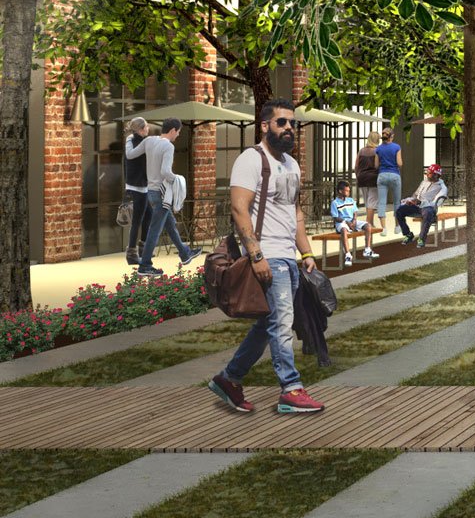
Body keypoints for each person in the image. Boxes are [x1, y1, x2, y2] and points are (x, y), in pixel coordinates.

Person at [208, 99, 324, 415]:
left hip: (288, 256)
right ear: (264, 126)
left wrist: (307, 252)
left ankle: (229, 379)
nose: (289, 128)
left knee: (268, 323)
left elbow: (295, 212)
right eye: (281, 122)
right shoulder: (251, 159)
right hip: (268, 254)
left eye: (293, 123)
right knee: (282, 323)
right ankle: (291, 389)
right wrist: (256, 254)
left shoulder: (292, 164)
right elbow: (238, 209)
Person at [130, 118, 198, 276]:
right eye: (179, 132)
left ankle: (185, 254)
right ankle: (145, 265)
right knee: (155, 229)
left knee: (170, 223)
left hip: (151, 192)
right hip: (162, 193)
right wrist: (178, 180)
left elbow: (132, 154)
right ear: (173, 130)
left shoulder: (149, 141)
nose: (178, 135)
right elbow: (166, 172)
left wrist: (129, 139)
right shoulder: (168, 146)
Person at [122, 116, 154, 265]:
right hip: (136, 186)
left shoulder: (138, 140)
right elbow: (131, 156)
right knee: (137, 220)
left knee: (148, 215)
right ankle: (132, 253)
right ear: (141, 129)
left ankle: (143, 248)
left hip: (141, 185)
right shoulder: (134, 141)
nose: (148, 129)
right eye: (146, 126)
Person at [394, 164, 449, 245]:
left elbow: (435, 204)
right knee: (399, 210)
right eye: (427, 172)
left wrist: (420, 202)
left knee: (428, 212)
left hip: (428, 208)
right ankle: (408, 234)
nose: (427, 174)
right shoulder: (424, 182)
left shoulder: (442, 188)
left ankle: (421, 239)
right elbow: (415, 195)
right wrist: (410, 200)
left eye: (429, 173)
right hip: (416, 206)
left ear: (437, 175)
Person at [352, 134, 383, 255]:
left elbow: (356, 165)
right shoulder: (377, 151)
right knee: (372, 203)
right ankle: (368, 224)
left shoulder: (361, 151)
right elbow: (378, 166)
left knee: (367, 201)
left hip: (362, 178)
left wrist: (358, 175)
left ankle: (370, 223)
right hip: (373, 178)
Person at [329, 180, 372, 266]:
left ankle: (367, 250)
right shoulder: (335, 203)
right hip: (342, 223)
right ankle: (348, 255)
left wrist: (354, 220)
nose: (349, 192)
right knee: (344, 230)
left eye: (349, 190)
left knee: (368, 226)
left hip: (352, 221)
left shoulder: (351, 200)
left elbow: (355, 212)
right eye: (347, 190)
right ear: (340, 191)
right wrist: (346, 222)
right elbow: (335, 218)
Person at [373, 128, 403, 234]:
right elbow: (399, 163)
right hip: (395, 175)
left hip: (382, 175)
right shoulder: (397, 147)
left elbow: (376, 165)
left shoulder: (378, 149)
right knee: (397, 202)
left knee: (382, 202)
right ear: (392, 136)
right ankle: (397, 227)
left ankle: (384, 229)